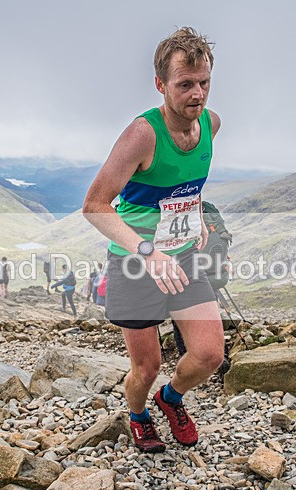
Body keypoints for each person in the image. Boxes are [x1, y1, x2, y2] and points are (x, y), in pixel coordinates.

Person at [82, 27, 223, 453]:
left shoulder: (211, 126)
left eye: (204, 83)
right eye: (185, 85)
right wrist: (148, 251)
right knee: (146, 367)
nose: (197, 95)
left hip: (182, 258)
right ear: (161, 85)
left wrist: (194, 220)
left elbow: (186, 186)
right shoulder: (141, 136)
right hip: (134, 263)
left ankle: (172, 398)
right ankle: (140, 415)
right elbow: (95, 205)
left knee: (209, 355)